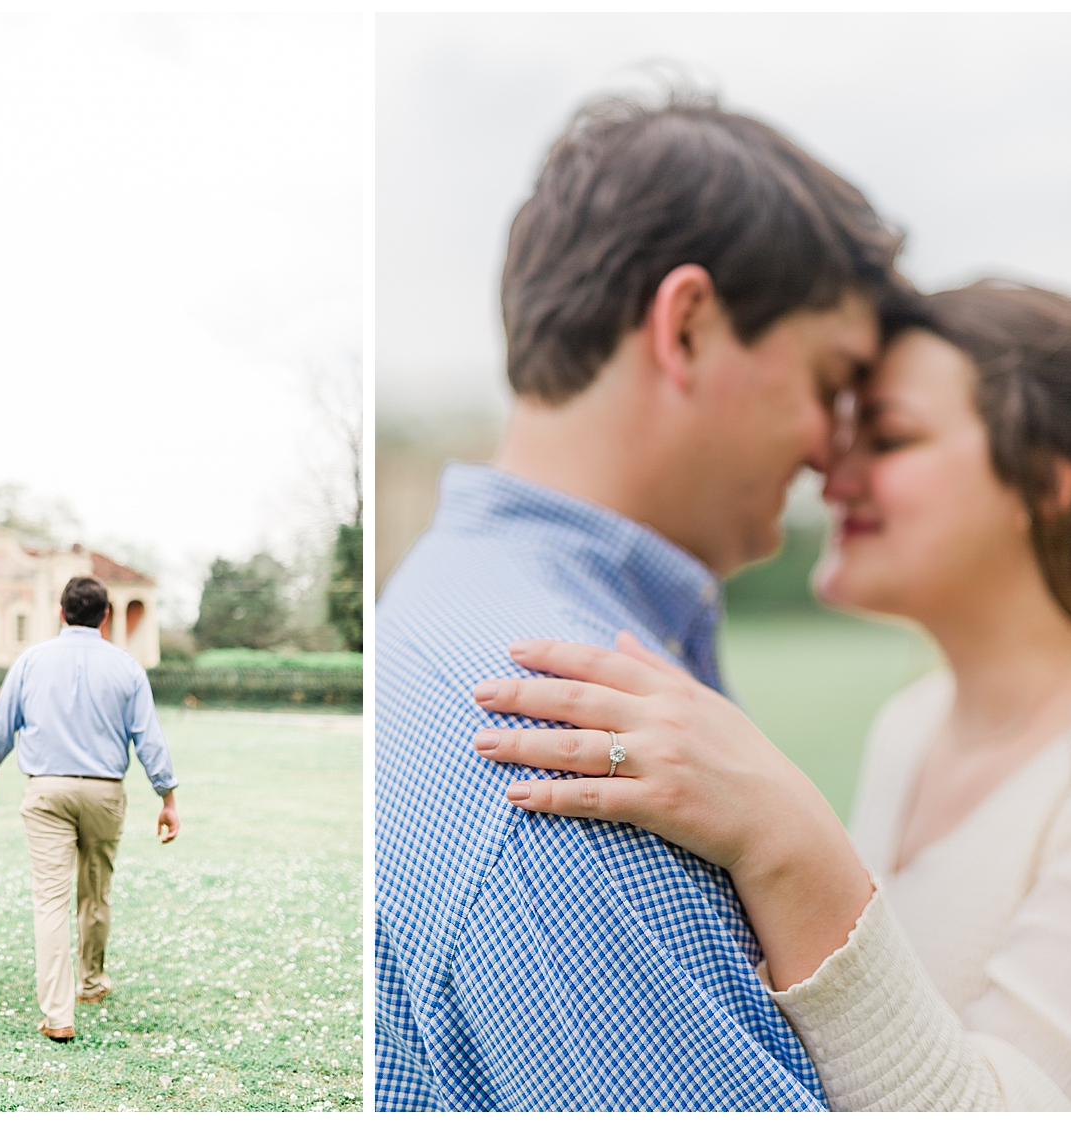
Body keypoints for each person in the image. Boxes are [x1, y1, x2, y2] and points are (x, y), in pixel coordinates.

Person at [374, 92, 906, 1111]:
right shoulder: (575, 744)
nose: (832, 447)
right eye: (830, 381)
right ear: (690, 327)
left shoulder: (455, 607)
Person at [475, 281, 1071, 1110]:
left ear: (1045, 483)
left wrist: (788, 839)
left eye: (885, 438)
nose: (830, 476)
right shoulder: (910, 725)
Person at [0, 576, 180, 1043]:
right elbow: (149, 738)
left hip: (46, 791)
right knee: (96, 892)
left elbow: (2, 725)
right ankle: (90, 981)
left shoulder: (31, 661)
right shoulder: (127, 667)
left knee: (50, 900)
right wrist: (166, 796)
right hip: (105, 792)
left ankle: (58, 1013)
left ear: (60, 613)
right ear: (106, 616)